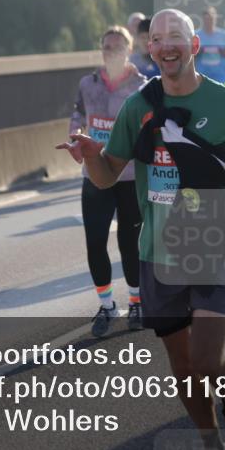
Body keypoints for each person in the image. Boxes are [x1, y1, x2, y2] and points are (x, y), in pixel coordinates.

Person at [58, 8, 225, 450]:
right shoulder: (137, 107)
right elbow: (105, 177)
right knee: (183, 368)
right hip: (157, 251)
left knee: (205, 360)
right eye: (157, 39)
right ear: (150, 49)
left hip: (213, 242)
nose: (165, 45)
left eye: (175, 37)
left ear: (194, 45)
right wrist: (89, 156)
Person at [69, 26, 147, 336]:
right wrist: (76, 139)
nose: (111, 52)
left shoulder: (142, 87)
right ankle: (106, 305)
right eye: (106, 47)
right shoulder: (87, 85)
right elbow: (78, 116)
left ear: (129, 50)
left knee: (130, 244)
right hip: (95, 174)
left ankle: (137, 301)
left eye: (117, 47)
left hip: (128, 175)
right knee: (95, 242)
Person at [195, 7, 225, 84]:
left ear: (215, 18)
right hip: (202, 77)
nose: (209, 20)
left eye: (211, 18)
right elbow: (188, 54)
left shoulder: (223, 35)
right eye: (207, 18)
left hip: (222, 77)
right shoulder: (196, 35)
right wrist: (198, 51)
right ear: (203, 19)